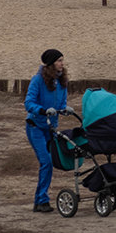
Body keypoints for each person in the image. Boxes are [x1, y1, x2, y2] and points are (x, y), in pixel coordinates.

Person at [24, 48, 73, 212]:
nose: (62, 63)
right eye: (59, 60)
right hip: (35, 126)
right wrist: (42, 110)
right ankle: (41, 201)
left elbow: (61, 103)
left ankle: (40, 201)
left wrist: (65, 109)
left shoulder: (62, 81)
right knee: (46, 162)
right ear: (51, 63)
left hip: (50, 128)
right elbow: (28, 102)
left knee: (50, 163)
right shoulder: (37, 80)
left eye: (62, 60)